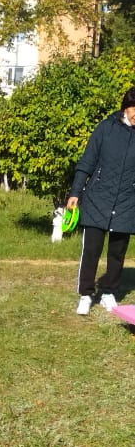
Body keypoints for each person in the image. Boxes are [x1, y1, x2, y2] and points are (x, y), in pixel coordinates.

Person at [67, 87, 135, 316]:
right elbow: (87, 161)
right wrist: (75, 192)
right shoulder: (105, 128)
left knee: (117, 252)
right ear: (126, 108)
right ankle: (86, 294)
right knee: (91, 250)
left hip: (127, 202)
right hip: (98, 199)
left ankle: (109, 292)